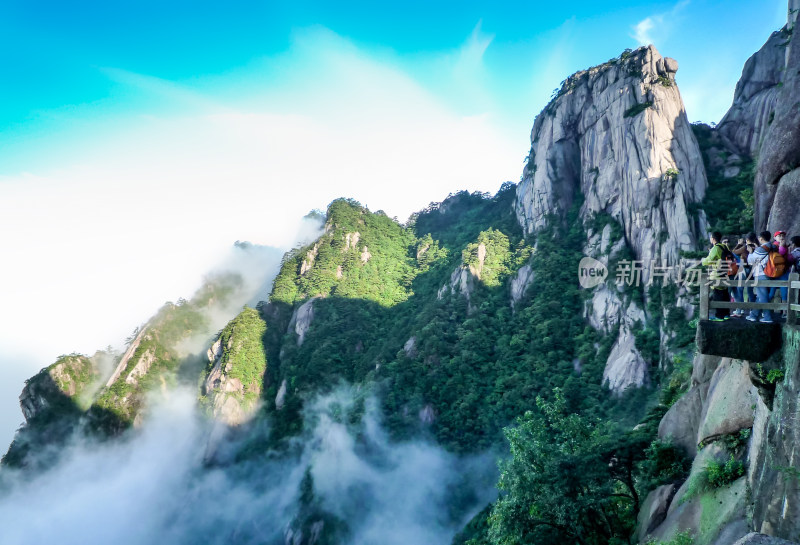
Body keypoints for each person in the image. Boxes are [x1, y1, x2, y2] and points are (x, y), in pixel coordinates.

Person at [747, 231, 780, 323]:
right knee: (761, 296)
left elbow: (750, 261)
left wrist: (750, 252)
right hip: (771, 273)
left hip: (760, 274)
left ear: (761, 238)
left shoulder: (760, 249)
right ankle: (753, 315)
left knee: (763, 297)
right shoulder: (774, 247)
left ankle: (767, 317)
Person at [701, 231, 731, 321]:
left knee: (718, 295)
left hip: (717, 273)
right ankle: (726, 314)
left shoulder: (716, 248)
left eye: (710, 237)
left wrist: (702, 261)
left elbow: (709, 260)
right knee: (725, 294)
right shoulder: (724, 246)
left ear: (713, 239)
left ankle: (719, 316)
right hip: (725, 273)